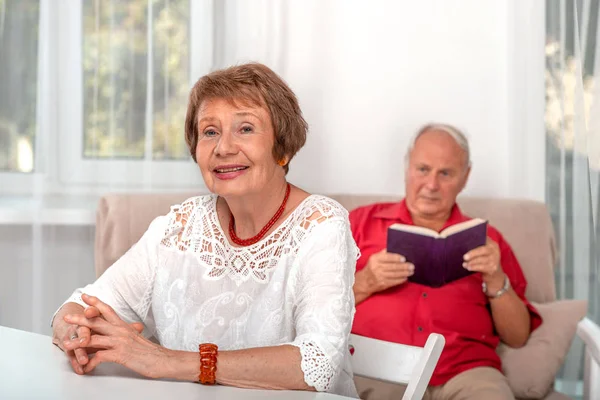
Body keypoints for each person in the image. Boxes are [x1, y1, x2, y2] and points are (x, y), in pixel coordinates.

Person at [51, 62, 359, 398]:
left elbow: (317, 364)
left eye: (245, 129)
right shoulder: (181, 225)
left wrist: (164, 361)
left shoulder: (321, 224)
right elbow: (82, 304)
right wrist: (76, 333)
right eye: (210, 132)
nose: (223, 148)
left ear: (282, 148)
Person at [350, 124, 542, 400]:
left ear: (465, 177)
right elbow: (310, 309)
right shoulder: (359, 223)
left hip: (466, 373)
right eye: (423, 169)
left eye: (446, 173)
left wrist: (495, 278)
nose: (431, 185)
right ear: (407, 168)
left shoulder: (489, 240)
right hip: (378, 368)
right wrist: (365, 282)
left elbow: (518, 336)